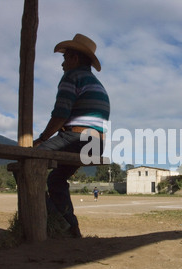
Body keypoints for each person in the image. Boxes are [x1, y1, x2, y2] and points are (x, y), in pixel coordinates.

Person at [34, 34, 110, 238]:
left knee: (29, 163)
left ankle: (59, 224)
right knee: (57, 179)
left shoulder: (72, 77)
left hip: (78, 139)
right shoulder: (95, 82)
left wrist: (42, 138)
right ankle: (70, 229)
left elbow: (60, 114)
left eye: (65, 57)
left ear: (75, 59)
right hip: (97, 144)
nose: (62, 63)